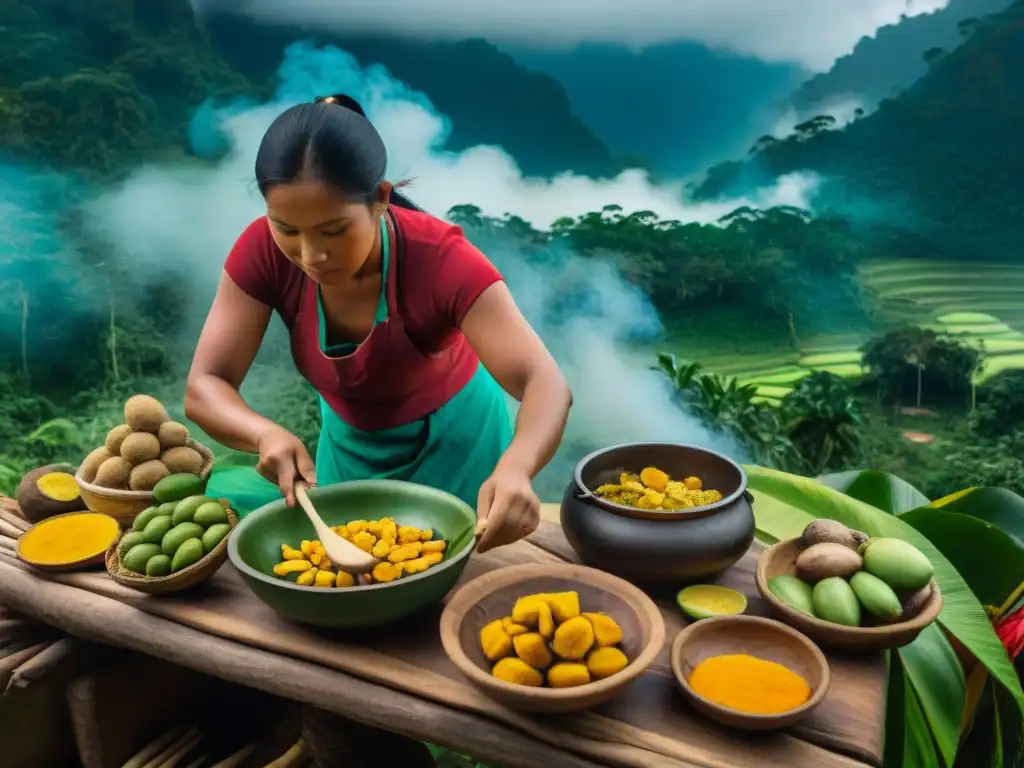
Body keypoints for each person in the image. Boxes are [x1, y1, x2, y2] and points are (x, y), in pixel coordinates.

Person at [184, 94, 573, 767]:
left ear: (382, 198)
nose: (311, 255)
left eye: (334, 230)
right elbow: (206, 385)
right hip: (350, 440)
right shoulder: (262, 251)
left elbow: (546, 384)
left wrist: (515, 469)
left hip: (457, 442)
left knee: (439, 625)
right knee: (347, 605)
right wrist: (264, 435)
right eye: (287, 229)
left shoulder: (439, 260)